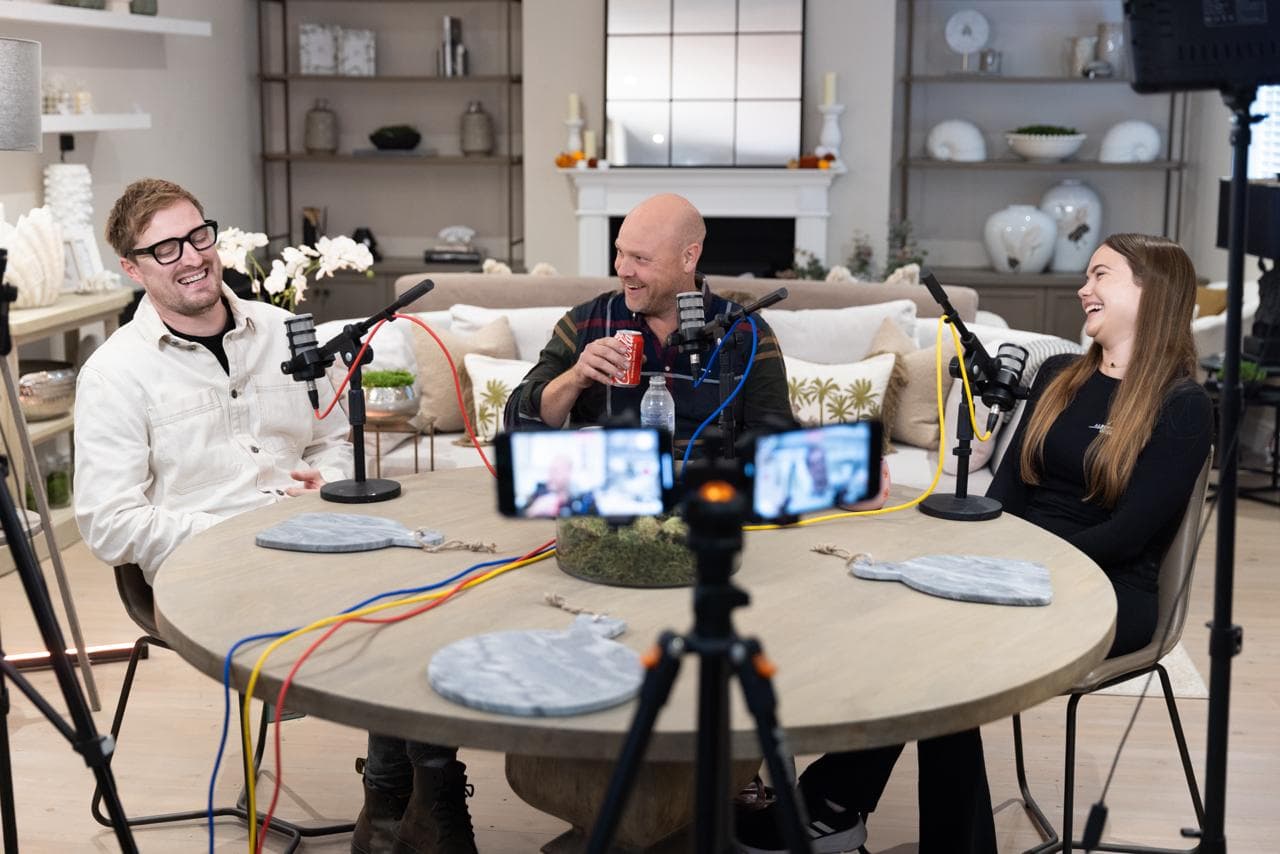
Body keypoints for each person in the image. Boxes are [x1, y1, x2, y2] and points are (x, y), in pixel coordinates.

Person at [735, 233, 1213, 854]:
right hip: (1018, 565)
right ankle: (839, 807)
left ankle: (829, 804)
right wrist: (970, 562)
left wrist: (1014, 569)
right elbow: (1007, 495)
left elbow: (1127, 536)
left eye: (1101, 275)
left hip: (1107, 590)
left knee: (942, 659)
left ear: (1154, 293)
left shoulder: (1182, 406)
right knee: (908, 623)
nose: (1083, 289)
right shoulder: (1058, 377)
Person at [72, 178, 477, 854]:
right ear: (132, 268)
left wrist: (332, 482)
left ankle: (404, 799)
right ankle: (399, 800)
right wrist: (236, 532)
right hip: (203, 567)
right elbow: (109, 524)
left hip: (311, 532)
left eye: (198, 236)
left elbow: (334, 442)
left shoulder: (280, 330)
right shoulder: (114, 374)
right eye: (165, 247)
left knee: (432, 586)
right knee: (387, 604)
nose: (192, 257)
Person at [503, 193, 796, 455]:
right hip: (613, 499)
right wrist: (576, 377)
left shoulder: (746, 331)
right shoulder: (585, 322)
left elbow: (777, 447)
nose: (622, 269)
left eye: (641, 258)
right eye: (620, 251)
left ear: (688, 257)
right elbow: (518, 422)